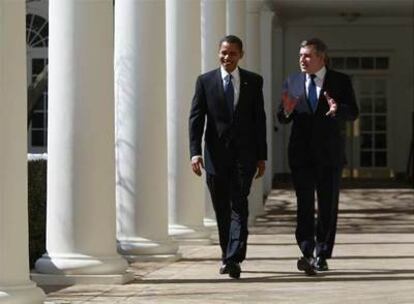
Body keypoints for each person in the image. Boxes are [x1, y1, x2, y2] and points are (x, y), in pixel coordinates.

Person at [277, 38, 359, 275]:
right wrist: (287, 110)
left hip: (329, 155)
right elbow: (281, 117)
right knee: (303, 206)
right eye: (301, 55)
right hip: (301, 155)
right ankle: (306, 251)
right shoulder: (292, 81)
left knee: (327, 206)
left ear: (321, 58)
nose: (302, 59)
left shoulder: (340, 81)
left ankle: (322, 254)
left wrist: (338, 110)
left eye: (308, 56)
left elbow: (353, 112)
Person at [189, 35, 267, 279]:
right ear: (218, 53)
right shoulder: (205, 81)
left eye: (232, 53)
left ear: (240, 55)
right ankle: (227, 254)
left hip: (244, 157)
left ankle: (234, 258)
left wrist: (261, 156)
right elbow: (196, 118)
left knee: (238, 207)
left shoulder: (253, 82)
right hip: (215, 157)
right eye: (223, 52)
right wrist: (195, 153)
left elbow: (259, 120)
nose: (227, 57)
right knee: (221, 209)